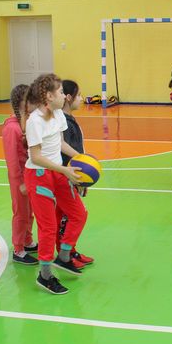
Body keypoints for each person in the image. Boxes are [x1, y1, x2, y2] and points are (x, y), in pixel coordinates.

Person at [24, 73, 87, 295]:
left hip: (58, 171)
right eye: (60, 92)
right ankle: (45, 275)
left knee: (78, 213)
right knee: (48, 226)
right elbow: (36, 157)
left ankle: (64, 256)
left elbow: (59, 144)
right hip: (39, 174)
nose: (63, 95)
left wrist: (81, 158)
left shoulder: (58, 114)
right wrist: (64, 170)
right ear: (49, 96)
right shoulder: (34, 121)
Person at [57, 79, 94, 267]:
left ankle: (70, 251)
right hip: (65, 174)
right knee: (75, 215)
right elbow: (62, 147)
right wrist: (81, 160)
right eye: (79, 95)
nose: (81, 98)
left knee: (66, 216)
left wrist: (83, 176)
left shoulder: (69, 119)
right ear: (68, 97)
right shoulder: (61, 120)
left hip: (73, 174)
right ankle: (64, 254)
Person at [3, 84, 38, 264]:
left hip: (29, 176)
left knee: (30, 211)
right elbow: (12, 160)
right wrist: (21, 182)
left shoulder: (26, 123)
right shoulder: (12, 128)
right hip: (20, 179)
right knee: (21, 213)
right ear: (22, 103)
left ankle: (27, 240)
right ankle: (18, 249)